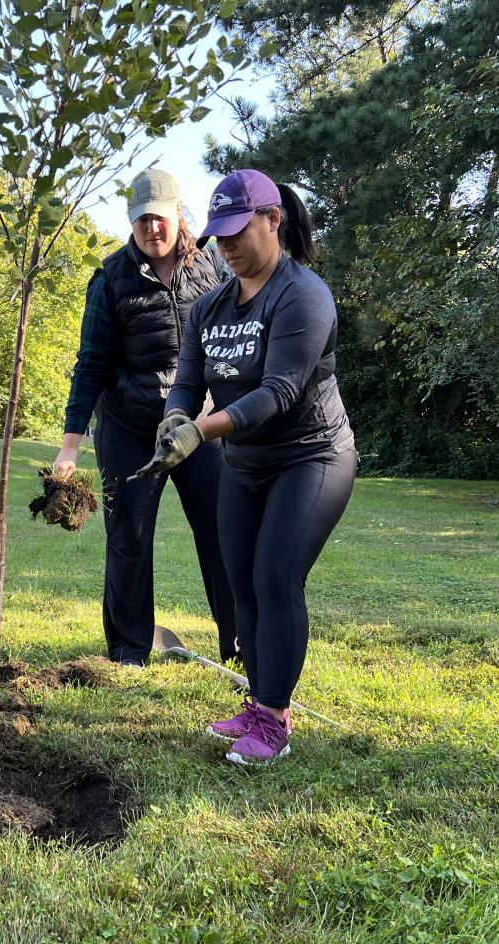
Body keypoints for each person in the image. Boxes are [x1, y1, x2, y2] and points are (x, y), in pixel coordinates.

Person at [144, 168, 356, 765]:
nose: (227, 245)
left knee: (274, 578)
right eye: (219, 234)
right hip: (244, 463)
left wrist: (200, 429)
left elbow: (279, 391)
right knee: (240, 584)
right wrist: (174, 418)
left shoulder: (303, 294)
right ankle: (258, 703)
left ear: (273, 220)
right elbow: (186, 382)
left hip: (312, 457)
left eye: (239, 231)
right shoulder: (210, 306)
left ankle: (274, 722)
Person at [52, 168, 238, 667]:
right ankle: (129, 651)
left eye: (158, 218)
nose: (151, 229)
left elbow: (230, 344)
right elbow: (90, 364)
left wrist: (228, 407)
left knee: (224, 534)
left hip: (198, 427)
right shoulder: (111, 279)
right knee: (129, 537)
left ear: (178, 214)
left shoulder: (212, 269)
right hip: (131, 428)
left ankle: (239, 647)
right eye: (141, 221)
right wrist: (70, 446)